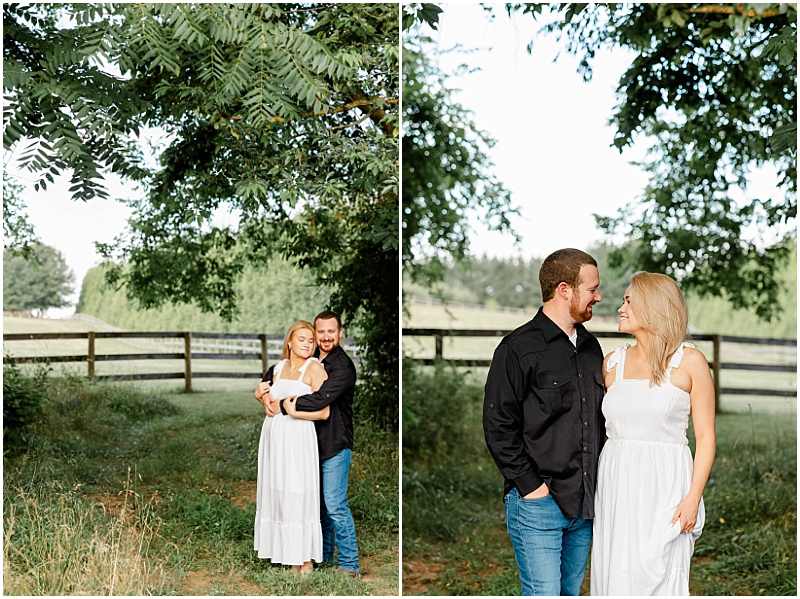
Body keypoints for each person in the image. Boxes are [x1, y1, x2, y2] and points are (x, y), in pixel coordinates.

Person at [483, 248, 605, 596]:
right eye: (592, 288)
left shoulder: (591, 348)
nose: (598, 296)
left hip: (583, 505)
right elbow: (498, 425)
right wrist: (532, 488)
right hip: (539, 502)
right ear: (565, 289)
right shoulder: (517, 348)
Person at [591, 272, 716, 596]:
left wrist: (692, 498)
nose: (620, 307)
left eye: (629, 300)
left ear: (652, 307)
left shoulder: (690, 362)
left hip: (666, 485)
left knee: (663, 579)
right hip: (617, 483)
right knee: (617, 574)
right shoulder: (611, 364)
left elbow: (705, 438)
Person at [256, 310, 360, 575]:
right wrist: (261, 389)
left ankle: (349, 565)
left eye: (330, 332)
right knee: (317, 505)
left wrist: (283, 405)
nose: (323, 338)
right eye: (319, 333)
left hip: (335, 442)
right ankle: (320, 555)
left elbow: (320, 400)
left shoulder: (342, 367)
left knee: (335, 504)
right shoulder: (312, 358)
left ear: (340, 333)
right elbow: (278, 374)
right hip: (308, 444)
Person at [253, 320, 329, 575]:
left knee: (298, 491)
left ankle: (304, 558)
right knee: (278, 490)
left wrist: (294, 412)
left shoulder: (315, 369)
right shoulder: (277, 368)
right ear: (289, 342)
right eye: (302, 340)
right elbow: (268, 397)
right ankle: (286, 552)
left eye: (311, 340)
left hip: (298, 435)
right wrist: (260, 395)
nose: (308, 344)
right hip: (274, 435)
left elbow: (324, 412)